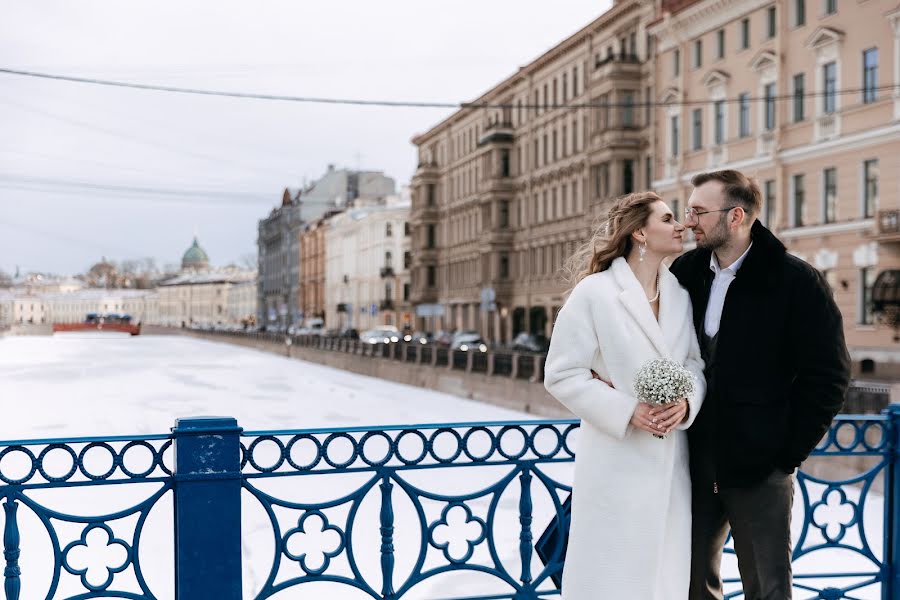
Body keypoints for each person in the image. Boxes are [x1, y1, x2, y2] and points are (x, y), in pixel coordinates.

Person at [669, 170, 851, 600]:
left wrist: (786, 453)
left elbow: (828, 375)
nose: (688, 221)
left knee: (767, 588)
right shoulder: (685, 271)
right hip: (690, 458)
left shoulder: (796, 281)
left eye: (698, 211)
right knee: (690, 584)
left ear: (735, 216)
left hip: (760, 467)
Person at [544, 191, 706, 599]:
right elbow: (561, 374)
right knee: (611, 578)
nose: (681, 225)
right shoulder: (594, 293)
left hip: (672, 461)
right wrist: (627, 410)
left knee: (664, 579)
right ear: (639, 233)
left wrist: (686, 404)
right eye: (668, 219)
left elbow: (693, 364)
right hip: (615, 462)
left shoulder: (680, 296)